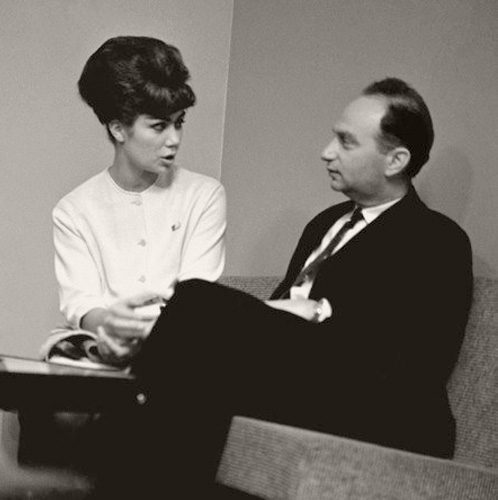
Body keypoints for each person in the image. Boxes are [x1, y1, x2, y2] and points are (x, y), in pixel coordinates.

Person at [96, 78, 473, 497]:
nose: (327, 151)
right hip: (298, 381)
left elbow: (406, 366)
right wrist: (285, 313)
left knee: (197, 300)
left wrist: (318, 314)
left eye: (346, 142)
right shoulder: (324, 224)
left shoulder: (437, 240)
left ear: (396, 160)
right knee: (192, 349)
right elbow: (273, 324)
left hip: (379, 409)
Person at [50, 36, 226, 360]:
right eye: (159, 126)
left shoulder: (204, 195)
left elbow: (199, 298)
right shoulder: (73, 210)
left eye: (179, 123)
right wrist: (113, 326)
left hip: (183, 350)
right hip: (104, 349)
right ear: (118, 129)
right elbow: (82, 304)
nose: (174, 139)